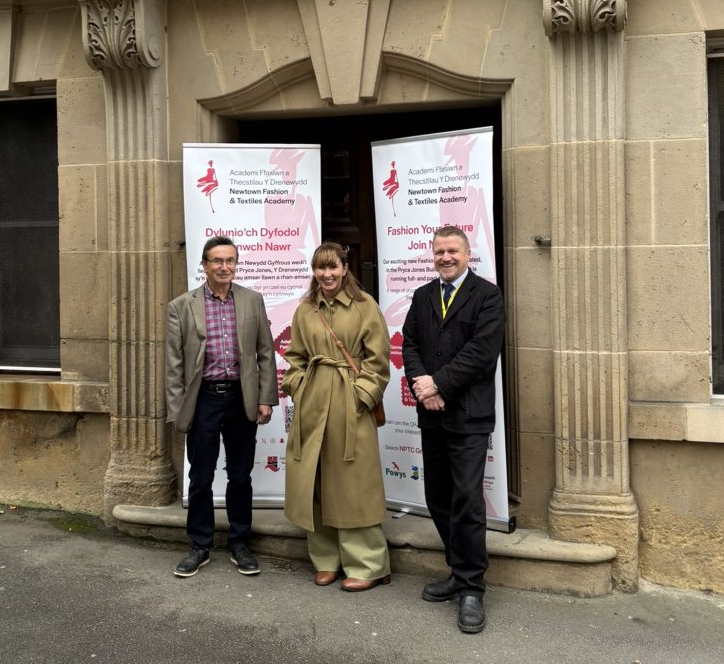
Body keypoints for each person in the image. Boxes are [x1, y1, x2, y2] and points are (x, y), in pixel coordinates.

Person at [402, 225, 505, 634]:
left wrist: (438, 382)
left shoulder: (487, 296)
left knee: (466, 500)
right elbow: (409, 343)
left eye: (452, 251)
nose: (445, 257)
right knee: (438, 496)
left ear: (467, 255)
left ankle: (471, 589)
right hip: (432, 413)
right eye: (439, 251)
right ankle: (457, 570)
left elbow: (482, 352)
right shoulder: (422, 296)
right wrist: (423, 386)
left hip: (468, 415)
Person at [165, 236, 278, 578]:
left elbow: (265, 353)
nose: (224, 267)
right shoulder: (182, 306)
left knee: (240, 475)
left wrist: (264, 398)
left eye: (230, 260)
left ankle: (239, 542)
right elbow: (173, 365)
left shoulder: (251, 301)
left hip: (240, 398)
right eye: (217, 261)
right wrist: (177, 411)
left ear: (236, 264)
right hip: (202, 400)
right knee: (200, 476)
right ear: (205, 265)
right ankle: (199, 545)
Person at [283, 241, 391, 591]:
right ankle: (326, 559)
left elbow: (378, 361)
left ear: (345, 269)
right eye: (320, 268)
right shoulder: (306, 310)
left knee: (353, 484)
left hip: (350, 407)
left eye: (333, 267)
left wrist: (360, 396)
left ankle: (368, 564)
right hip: (313, 405)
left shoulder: (365, 306)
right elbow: (296, 356)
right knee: (315, 480)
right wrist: (299, 386)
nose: (326, 274)